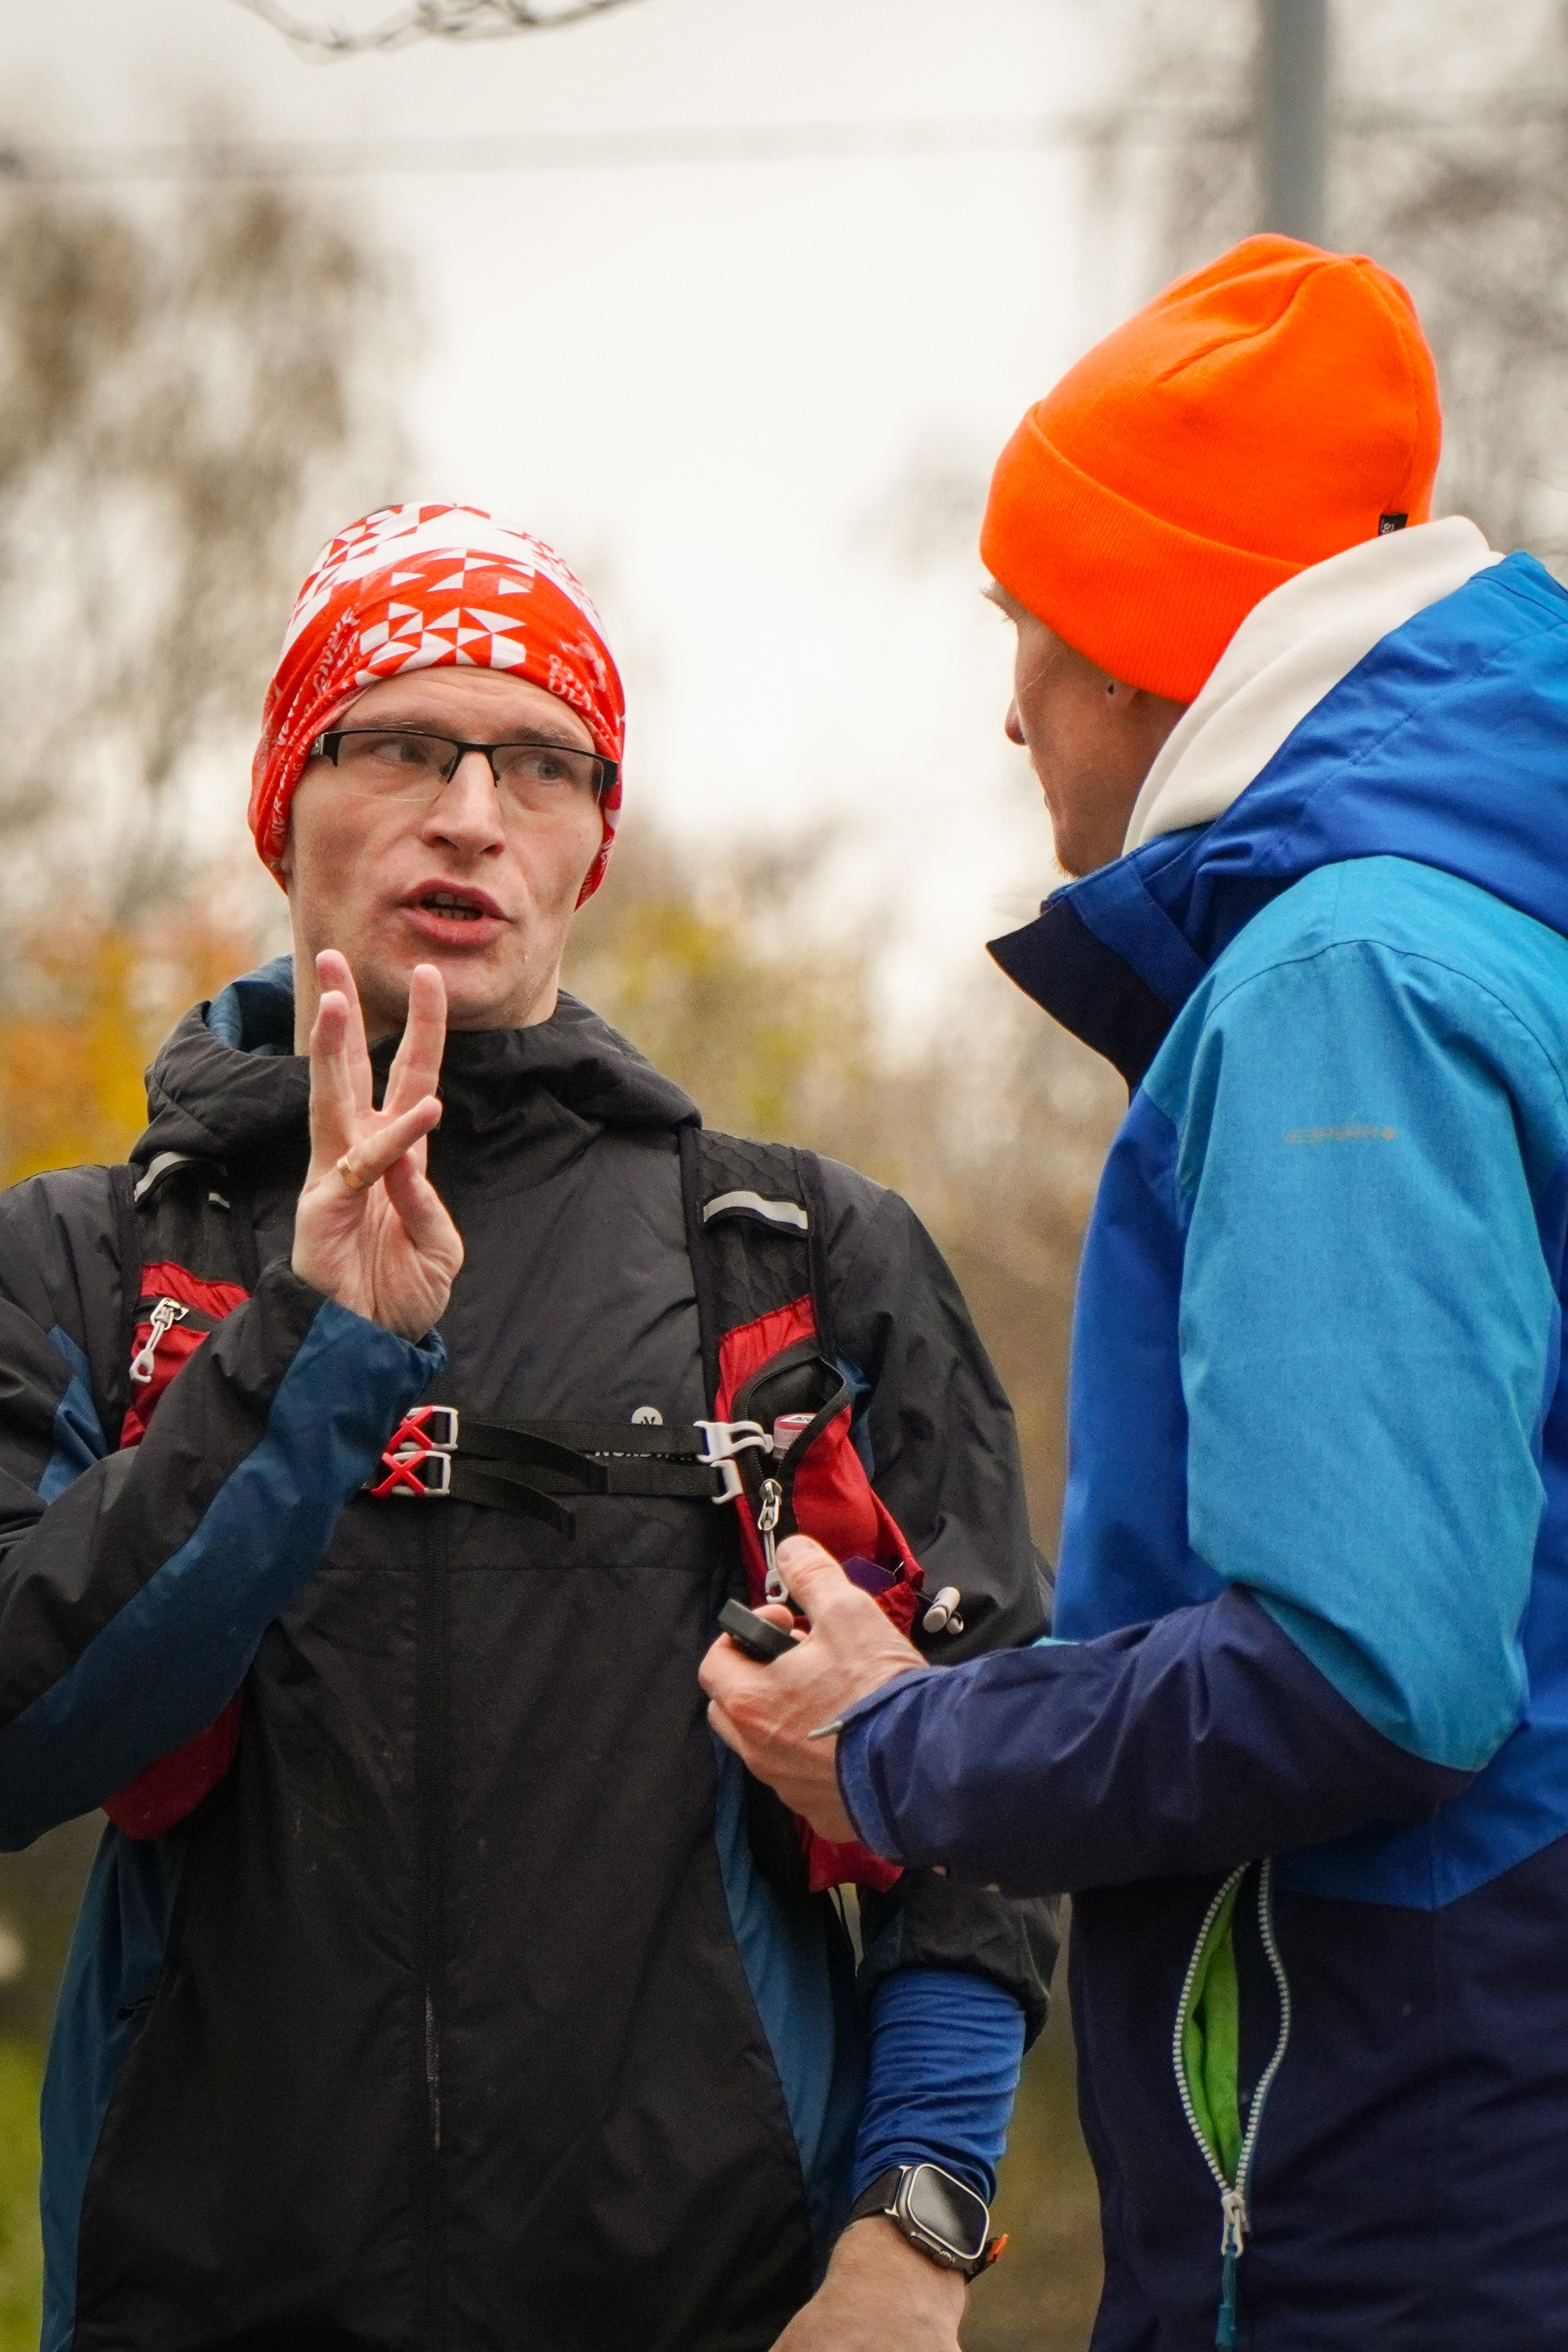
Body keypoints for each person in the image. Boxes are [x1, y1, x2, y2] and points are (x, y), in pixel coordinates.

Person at [0, 504, 1056, 2352]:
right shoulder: (86, 1260)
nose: (473, 813)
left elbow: (1000, 1792)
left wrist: (915, 2234)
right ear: (285, 803)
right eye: (403, 744)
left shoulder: (803, 1258)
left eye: (542, 763)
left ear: (592, 842)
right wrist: (317, 1345)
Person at [703, 233, 1568, 2351]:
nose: (1008, 706)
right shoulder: (1490, 938)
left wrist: (900, 1745)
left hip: (1405, 2199)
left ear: (1147, 647)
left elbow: (1365, 1676)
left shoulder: (1344, 980)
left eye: (1027, 626)